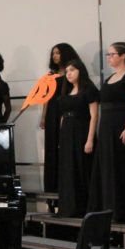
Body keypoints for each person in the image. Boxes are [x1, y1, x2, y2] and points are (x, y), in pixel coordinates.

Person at [90, 43, 125, 223]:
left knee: (123, 167)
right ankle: (109, 208)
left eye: (112, 54)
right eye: (108, 54)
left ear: (123, 56)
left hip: (122, 124)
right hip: (108, 127)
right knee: (109, 168)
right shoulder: (111, 77)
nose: (109, 57)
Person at [56, 59, 99, 217]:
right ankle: (68, 207)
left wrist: (90, 139)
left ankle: (83, 207)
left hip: (82, 131)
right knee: (68, 169)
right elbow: (62, 117)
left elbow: (94, 116)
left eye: (72, 70)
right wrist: (61, 138)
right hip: (67, 132)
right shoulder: (66, 91)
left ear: (81, 71)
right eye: (67, 71)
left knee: (81, 168)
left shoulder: (89, 89)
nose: (69, 74)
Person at [41, 43, 80, 194]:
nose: (55, 56)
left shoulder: (73, 72)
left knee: (64, 146)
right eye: (53, 53)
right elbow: (46, 97)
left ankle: (66, 186)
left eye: (58, 53)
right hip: (52, 111)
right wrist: (44, 116)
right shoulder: (51, 75)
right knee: (51, 146)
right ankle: (52, 186)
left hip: (67, 111)